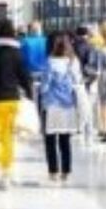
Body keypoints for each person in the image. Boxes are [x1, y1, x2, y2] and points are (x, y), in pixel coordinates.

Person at [0, 19, 33, 188]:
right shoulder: (16, 52)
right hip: (12, 99)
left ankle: (2, 164)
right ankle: (7, 170)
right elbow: (23, 75)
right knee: (8, 135)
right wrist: (29, 93)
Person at [38, 33, 83, 183]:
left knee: (50, 140)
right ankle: (66, 171)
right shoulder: (73, 62)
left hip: (51, 105)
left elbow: (45, 86)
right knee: (65, 140)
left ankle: (53, 171)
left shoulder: (50, 62)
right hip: (67, 106)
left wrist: (41, 94)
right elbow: (78, 81)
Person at [74, 26, 105, 148]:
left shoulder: (72, 47)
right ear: (87, 35)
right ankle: (88, 134)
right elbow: (94, 67)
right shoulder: (91, 47)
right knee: (89, 109)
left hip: (76, 81)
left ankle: (80, 128)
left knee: (79, 107)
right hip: (88, 81)